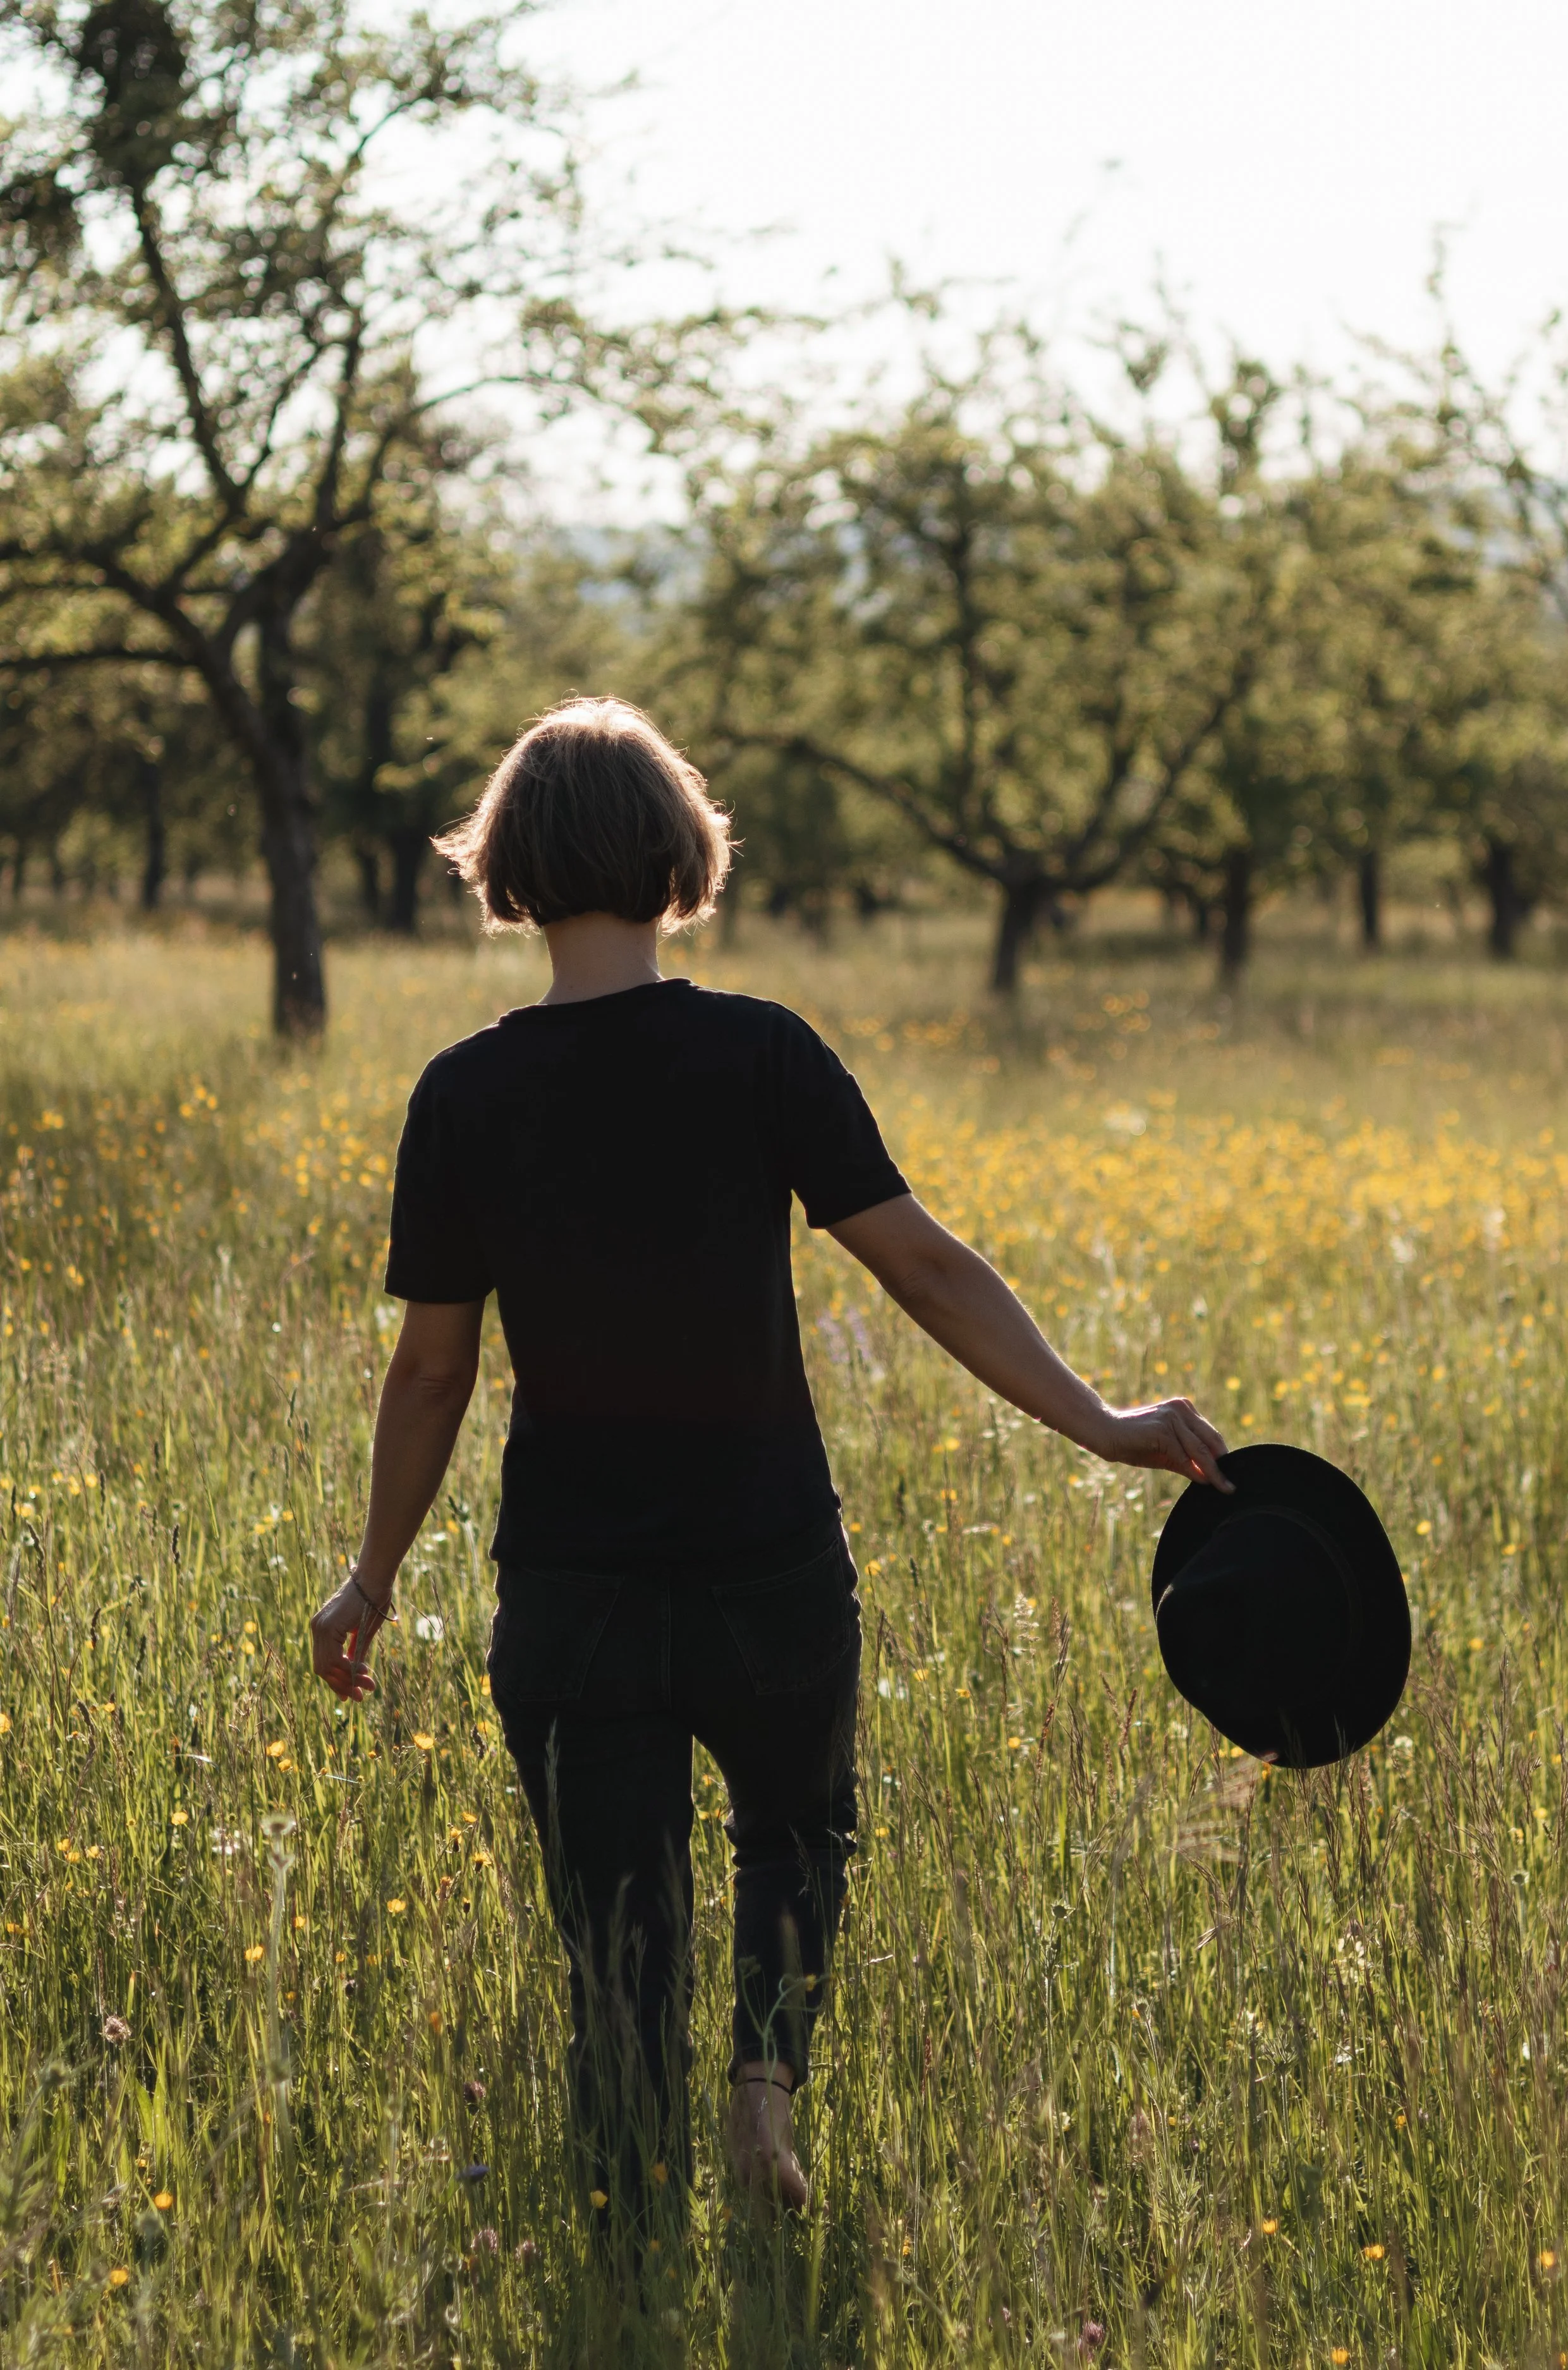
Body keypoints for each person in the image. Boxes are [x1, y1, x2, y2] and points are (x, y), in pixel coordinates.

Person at [308, 697, 1229, 2240]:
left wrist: (373, 1575)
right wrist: (1106, 1424)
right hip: (766, 1562)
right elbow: (925, 1271)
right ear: (679, 856)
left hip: (572, 1584)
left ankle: (633, 2215)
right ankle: (763, 2082)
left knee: (616, 1933)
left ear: (508, 871)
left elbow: (432, 1370)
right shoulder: (763, 1054)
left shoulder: (462, 1092)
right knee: (798, 1836)